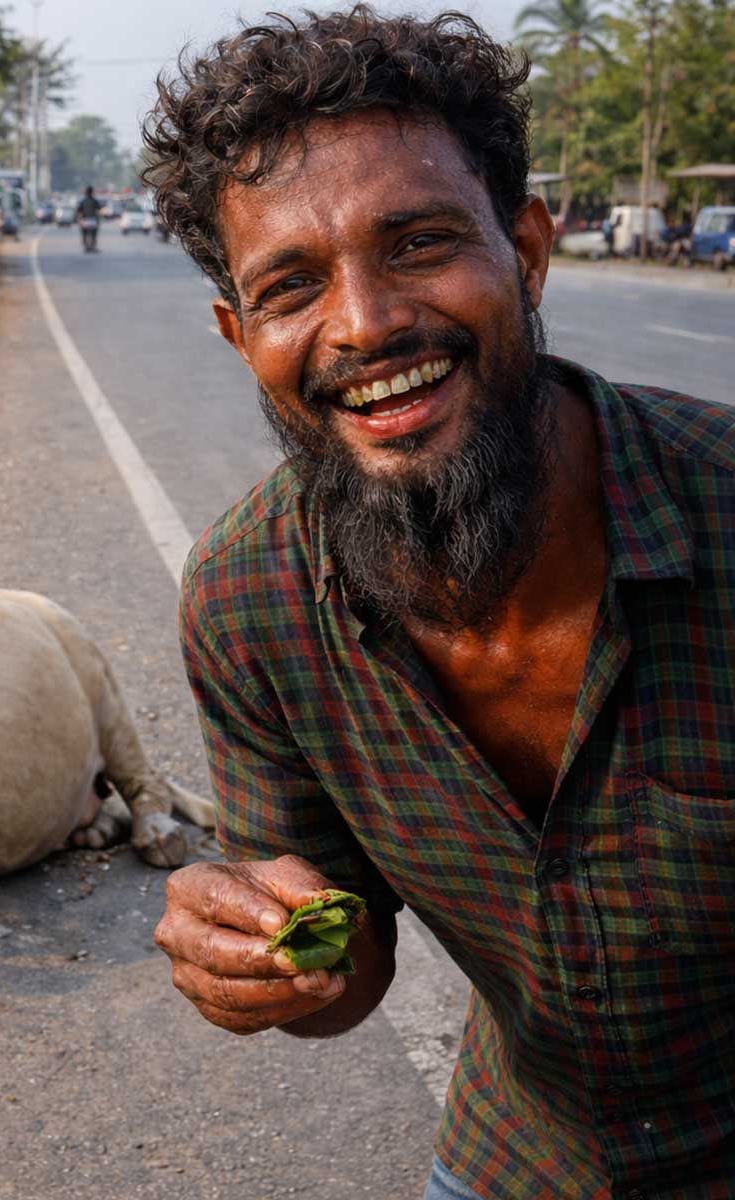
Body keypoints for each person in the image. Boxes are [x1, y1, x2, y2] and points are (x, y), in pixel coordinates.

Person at [142, 8, 735, 1199]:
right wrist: (263, 953)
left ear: (524, 247)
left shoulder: (720, 506)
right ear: (239, 333)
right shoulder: (249, 603)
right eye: (292, 286)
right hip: (526, 1159)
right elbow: (341, 971)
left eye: (417, 243)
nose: (363, 325)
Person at [76, 184, 102, 252]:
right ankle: (93, 245)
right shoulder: (94, 201)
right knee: (94, 233)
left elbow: (79, 212)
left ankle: (85, 244)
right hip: (93, 221)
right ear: (92, 192)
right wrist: (98, 219)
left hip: (85, 221)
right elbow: (99, 210)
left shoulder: (83, 201)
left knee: (84, 233)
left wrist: (80, 221)